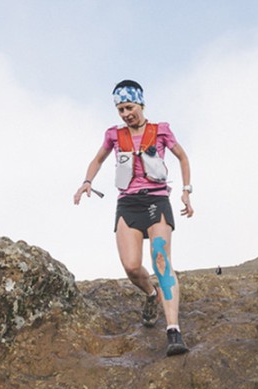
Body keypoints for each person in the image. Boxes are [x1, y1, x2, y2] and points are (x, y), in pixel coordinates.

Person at [74, 79, 194, 356]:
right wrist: (87, 181)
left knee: (161, 260)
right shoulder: (113, 135)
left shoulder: (161, 130)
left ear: (140, 103)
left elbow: (183, 158)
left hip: (156, 201)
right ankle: (151, 294)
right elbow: (98, 159)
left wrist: (186, 192)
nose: (126, 113)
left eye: (129, 107)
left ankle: (173, 330)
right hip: (128, 204)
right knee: (131, 266)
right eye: (120, 109)